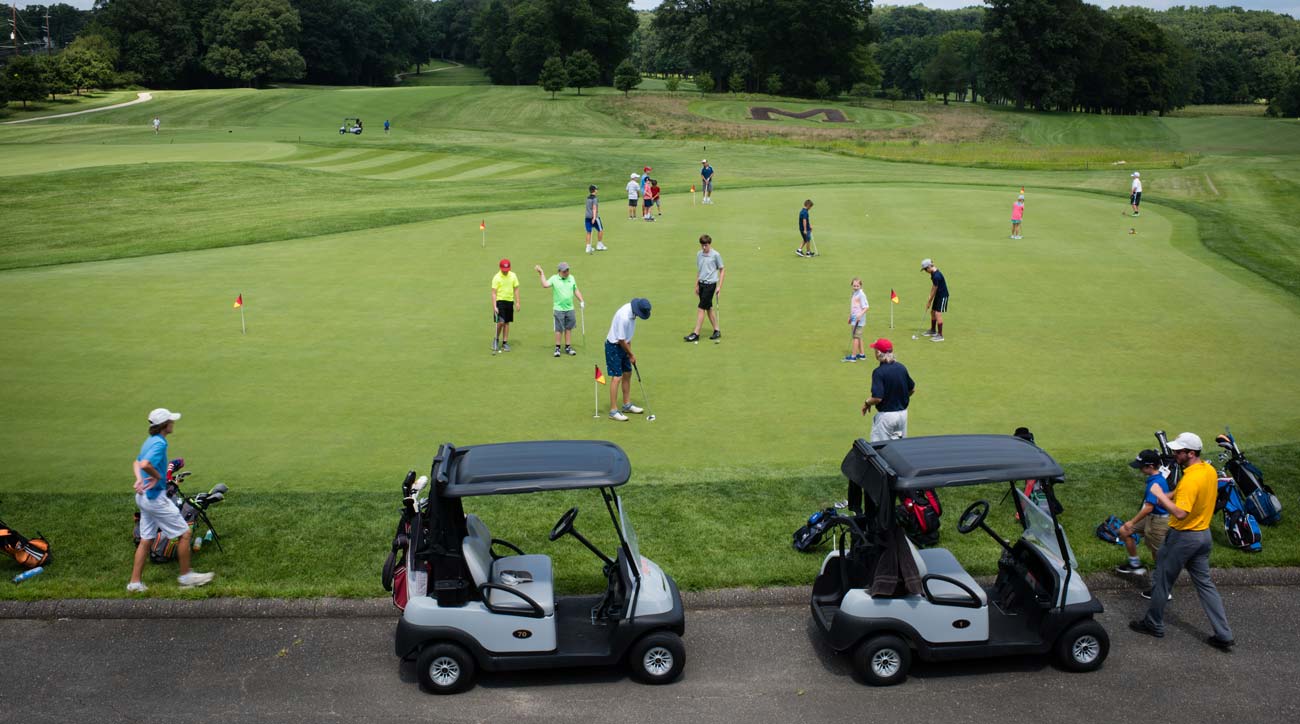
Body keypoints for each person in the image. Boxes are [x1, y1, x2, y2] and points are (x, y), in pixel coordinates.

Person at [1129, 432, 1235, 650]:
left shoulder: (1192, 478)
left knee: (1162, 579)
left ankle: (1153, 623)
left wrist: (1159, 495)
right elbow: (1181, 491)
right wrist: (1169, 494)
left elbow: (1180, 513)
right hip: (1203, 537)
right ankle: (1224, 634)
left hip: (1183, 538)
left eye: (1179, 451)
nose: (1174, 454)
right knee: (1205, 585)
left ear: (1191, 453)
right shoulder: (1207, 469)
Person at [127, 408, 214, 592]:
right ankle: (185, 577)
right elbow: (144, 464)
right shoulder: (159, 443)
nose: (173, 423)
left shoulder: (149, 441)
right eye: (170, 421)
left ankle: (135, 584)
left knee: (146, 540)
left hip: (143, 497)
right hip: (155, 499)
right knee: (184, 534)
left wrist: (139, 478)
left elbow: (137, 463)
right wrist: (158, 477)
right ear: (164, 425)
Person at [1115, 449, 1172, 583]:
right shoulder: (1155, 478)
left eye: (1141, 466)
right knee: (1124, 531)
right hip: (1151, 517)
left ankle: (1162, 589)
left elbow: (1148, 508)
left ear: (1150, 466)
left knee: (1157, 554)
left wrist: (1132, 521)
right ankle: (1135, 564)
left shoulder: (1155, 483)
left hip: (1159, 521)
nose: (1139, 469)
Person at [605, 298, 651, 421]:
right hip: (613, 346)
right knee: (617, 377)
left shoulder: (632, 313)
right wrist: (631, 354)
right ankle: (613, 411)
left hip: (624, 345)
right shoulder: (624, 317)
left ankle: (626, 405)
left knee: (628, 373)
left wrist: (629, 353)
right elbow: (620, 339)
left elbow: (627, 337)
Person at [861, 338, 915, 441]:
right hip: (902, 415)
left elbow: (877, 398)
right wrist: (899, 397)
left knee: (880, 449)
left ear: (878, 353)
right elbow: (912, 389)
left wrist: (867, 402)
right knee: (899, 448)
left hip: (886, 417)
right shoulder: (901, 368)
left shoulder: (879, 372)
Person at [535, 262, 584, 357]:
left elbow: (575, 290)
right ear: (560, 271)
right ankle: (557, 348)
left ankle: (568, 347)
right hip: (559, 309)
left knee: (569, 328)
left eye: (568, 270)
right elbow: (545, 284)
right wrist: (541, 273)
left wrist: (581, 300)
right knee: (559, 329)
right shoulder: (554, 278)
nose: (567, 272)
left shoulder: (571, 278)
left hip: (570, 308)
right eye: (565, 271)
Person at [684, 235, 724, 342]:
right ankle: (717, 330)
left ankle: (696, 333)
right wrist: (696, 284)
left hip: (710, 285)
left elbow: (722, 270)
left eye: (706, 245)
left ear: (709, 244)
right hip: (701, 284)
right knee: (708, 308)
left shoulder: (716, 255)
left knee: (701, 308)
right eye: (702, 245)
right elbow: (699, 270)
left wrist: (719, 286)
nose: (704, 248)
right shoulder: (699, 254)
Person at [490, 259, 521, 352]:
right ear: (500, 268)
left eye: (507, 269)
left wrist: (518, 302)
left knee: (507, 322)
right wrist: (494, 306)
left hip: (509, 301)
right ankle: (495, 340)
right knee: (501, 322)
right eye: (504, 269)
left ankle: (504, 343)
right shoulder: (496, 277)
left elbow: (516, 289)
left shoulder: (513, 276)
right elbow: (494, 293)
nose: (505, 271)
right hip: (500, 301)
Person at [921, 258, 948, 342]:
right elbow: (933, 287)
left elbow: (934, 289)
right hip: (938, 295)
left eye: (925, 269)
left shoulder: (936, 276)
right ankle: (933, 330)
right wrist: (930, 298)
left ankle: (940, 335)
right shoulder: (933, 273)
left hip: (942, 296)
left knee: (937, 313)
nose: (926, 271)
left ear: (929, 267)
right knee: (932, 312)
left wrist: (929, 301)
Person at [844, 278, 868, 362]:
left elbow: (866, 307)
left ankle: (853, 357)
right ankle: (862, 355)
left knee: (855, 337)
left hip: (859, 320)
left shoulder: (861, 295)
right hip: (854, 319)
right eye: (854, 285)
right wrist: (850, 317)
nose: (855, 287)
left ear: (860, 286)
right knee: (859, 337)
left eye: (857, 286)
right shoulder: (854, 293)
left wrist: (859, 315)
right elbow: (854, 306)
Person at [584, 185, 606, 253]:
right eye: (596, 189)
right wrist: (594, 218)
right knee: (600, 230)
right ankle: (599, 245)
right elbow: (594, 208)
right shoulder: (595, 199)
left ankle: (588, 247)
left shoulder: (587, 198)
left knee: (588, 232)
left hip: (587, 217)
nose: (597, 190)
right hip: (594, 217)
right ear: (594, 190)